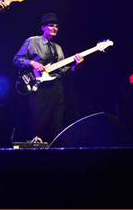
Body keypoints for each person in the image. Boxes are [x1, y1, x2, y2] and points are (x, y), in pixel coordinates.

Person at [13, 13, 84, 142]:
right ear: (43, 27)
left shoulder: (58, 48)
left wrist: (76, 66)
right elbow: (17, 60)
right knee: (37, 122)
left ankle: (54, 148)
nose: (55, 28)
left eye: (56, 26)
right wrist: (33, 63)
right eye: (51, 25)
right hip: (38, 88)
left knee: (56, 122)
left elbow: (63, 71)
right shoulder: (33, 41)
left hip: (56, 88)